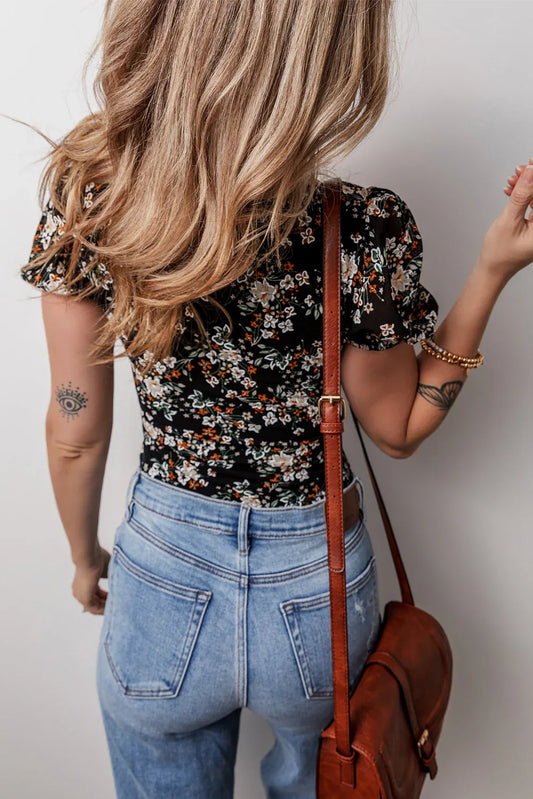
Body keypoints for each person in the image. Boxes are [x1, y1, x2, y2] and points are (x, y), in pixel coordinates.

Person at [17, 1, 533, 797]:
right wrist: (491, 270)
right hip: (314, 587)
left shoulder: (94, 194)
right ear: (327, 59)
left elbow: (75, 431)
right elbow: (398, 429)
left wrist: (86, 560)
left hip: (162, 571)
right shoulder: (360, 225)